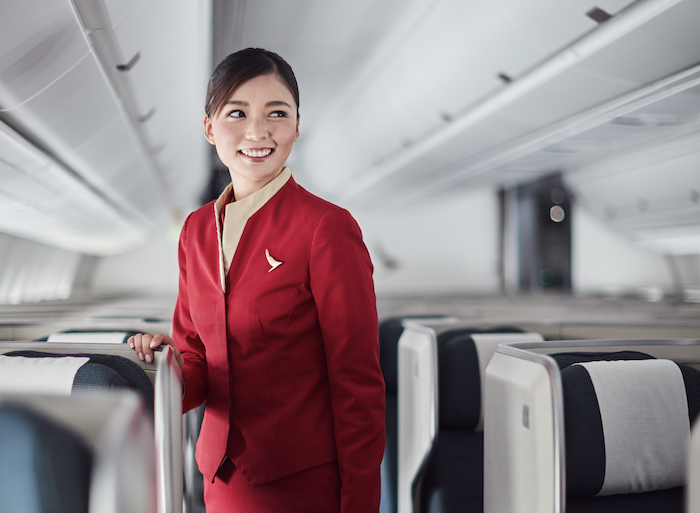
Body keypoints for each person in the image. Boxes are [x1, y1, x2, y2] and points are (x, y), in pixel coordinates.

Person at [128, 48, 385, 513]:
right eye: (237, 113)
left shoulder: (325, 227)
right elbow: (199, 362)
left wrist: (361, 503)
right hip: (219, 477)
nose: (257, 131)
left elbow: (358, 384)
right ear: (209, 128)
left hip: (300, 484)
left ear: (297, 126)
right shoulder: (195, 231)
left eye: (277, 113)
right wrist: (163, 366)